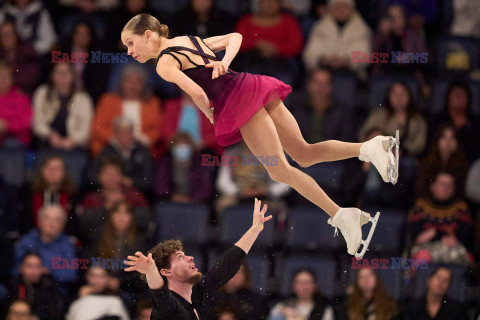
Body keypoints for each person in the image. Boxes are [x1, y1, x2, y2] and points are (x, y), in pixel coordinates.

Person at [120, 13, 399, 257]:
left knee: (279, 171)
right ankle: (371, 148)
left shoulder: (163, 64)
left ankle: (341, 215)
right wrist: (224, 62)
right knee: (304, 152)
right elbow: (235, 37)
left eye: (131, 43)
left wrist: (213, 116)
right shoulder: (186, 40)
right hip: (250, 84)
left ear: (148, 35)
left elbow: (198, 93)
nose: (130, 52)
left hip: (238, 102)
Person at [123, 198, 272, 319]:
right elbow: (160, 294)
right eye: (180, 257)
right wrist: (151, 272)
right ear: (166, 272)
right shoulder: (166, 308)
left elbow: (227, 265)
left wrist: (255, 229)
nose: (190, 258)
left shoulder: (196, 294)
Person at [268, 268, 335, 320]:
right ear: (293, 286)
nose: (304, 286)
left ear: (314, 286)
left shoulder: (325, 309)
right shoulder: (281, 306)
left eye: (308, 282)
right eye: (300, 282)